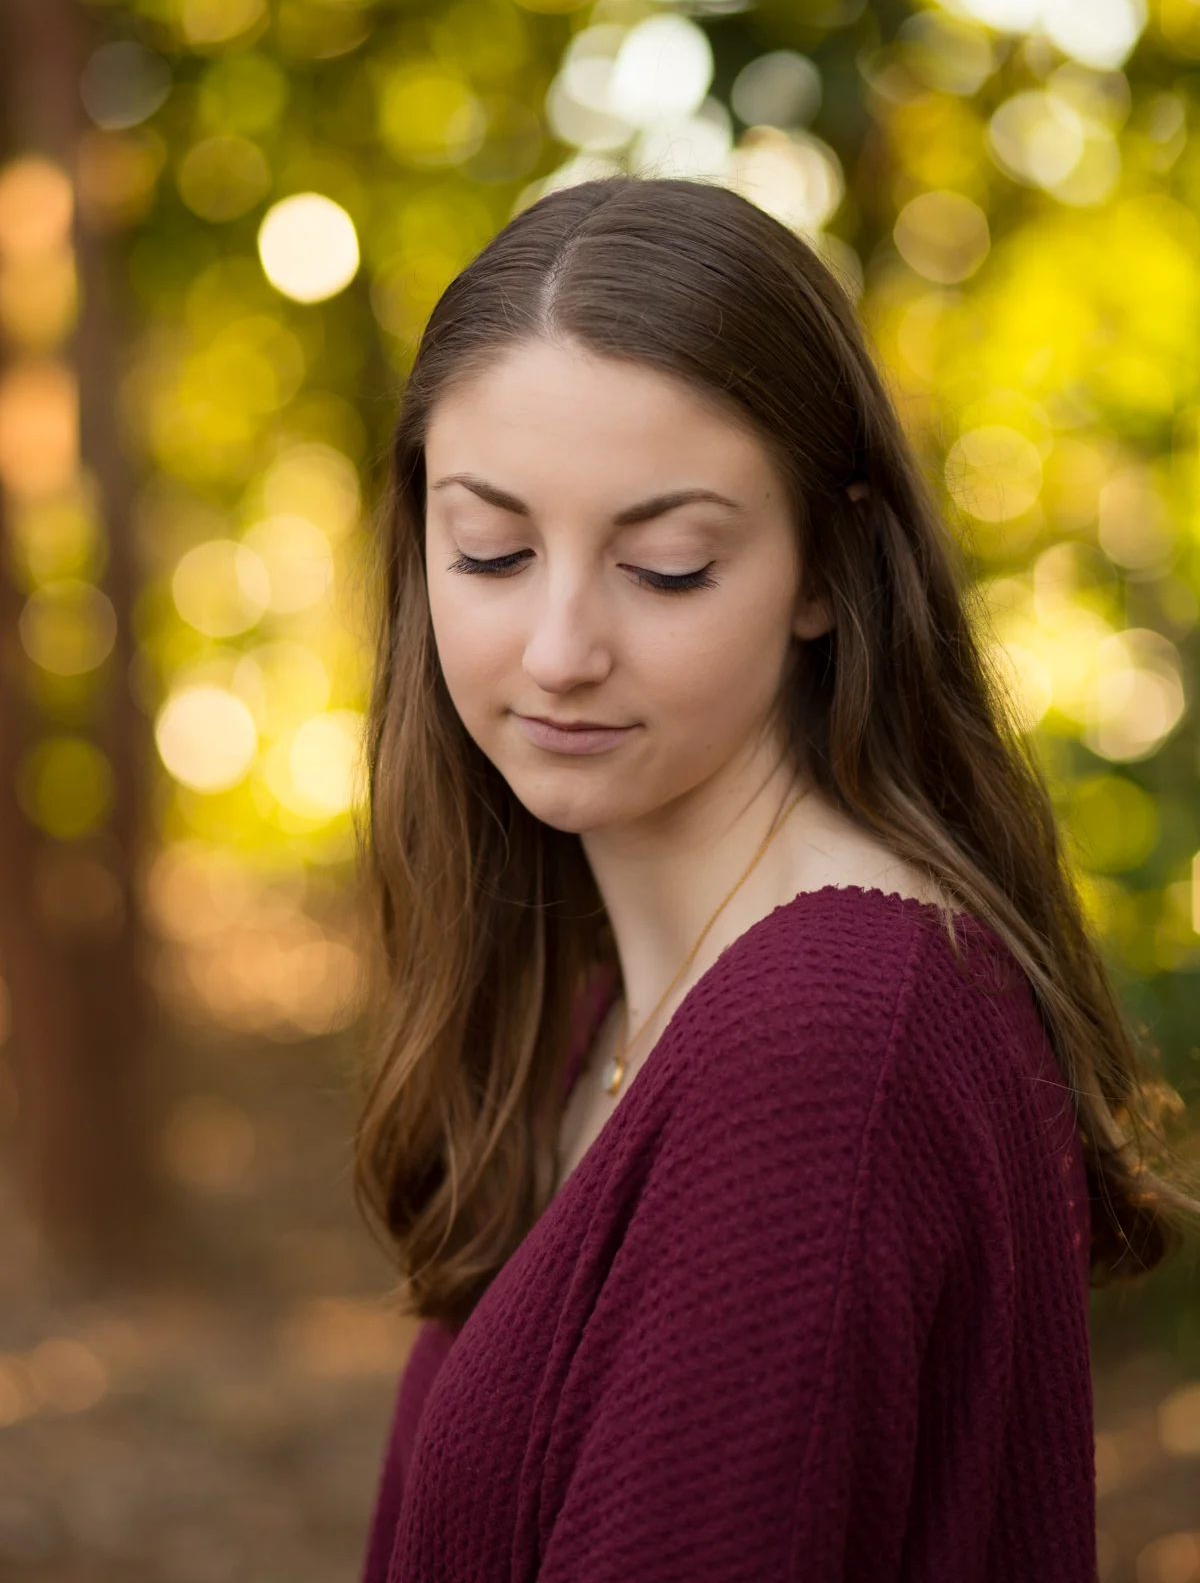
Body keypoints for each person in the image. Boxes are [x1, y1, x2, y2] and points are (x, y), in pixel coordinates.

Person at [354, 175, 1199, 1583]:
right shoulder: (610, 1012)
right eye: (491, 551)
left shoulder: (823, 1049)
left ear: (825, 567)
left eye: (668, 566)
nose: (559, 649)